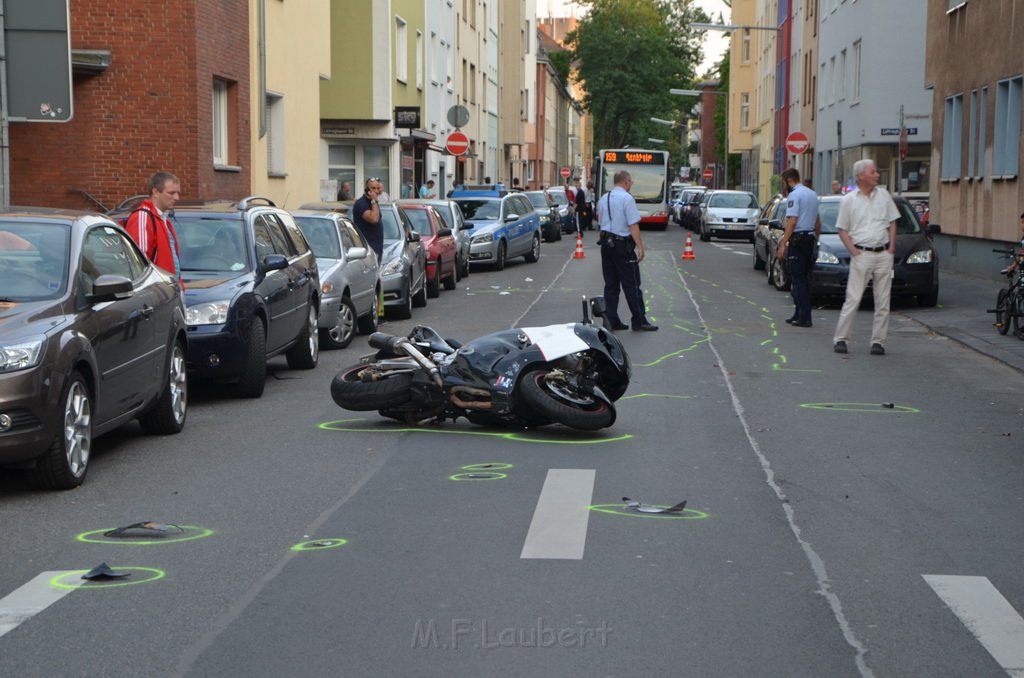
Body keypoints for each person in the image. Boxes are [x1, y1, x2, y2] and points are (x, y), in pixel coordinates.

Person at [832, 159, 900, 356]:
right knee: (853, 298)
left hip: (883, 252)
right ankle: (841, 338)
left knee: (883, 300)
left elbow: (892, 222)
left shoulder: (884, 196)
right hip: (862, 253)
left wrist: (892, 246)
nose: (877, 175)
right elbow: (842, 229)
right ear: (861, 175)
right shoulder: (849, 200)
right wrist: (854, 251)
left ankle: (878, 341)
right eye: (873, 171)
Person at [596, 170, 657, 332]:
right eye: (630, 182)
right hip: (622, 245)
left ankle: (611, 320)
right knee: (632, 284)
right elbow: (633, 225)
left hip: (606, 245)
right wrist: (640, 247)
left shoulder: (604, 198)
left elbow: (600, 219)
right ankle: (639, 320)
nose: (631, 185)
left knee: (611, 285)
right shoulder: (627, 199)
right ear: (625, 182)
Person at [775, 168, 820, 328]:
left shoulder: (794, 195)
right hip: (809, 239)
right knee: (803, 278)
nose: (783, 187)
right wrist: (816, 240)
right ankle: (798, 312)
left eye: (783, 183)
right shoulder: (812, 194)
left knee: (796, 278)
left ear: (788, 180)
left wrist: (783, 244)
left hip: (798, 240)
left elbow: (792, 222)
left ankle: (805, 316)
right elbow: (817, 221)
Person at [124, 171, 183, 281]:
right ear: (155, 192)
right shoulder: (143, 217)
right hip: (157, 292)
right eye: (171, 193)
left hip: (168, 291)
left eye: (177, 193)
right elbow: (139, 265)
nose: (177, 197)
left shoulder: (163, 219)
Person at [352, 177, 384, 261]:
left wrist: (374, 201)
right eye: (373, 188)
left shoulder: (373, 203)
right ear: (367, 189)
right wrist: (374, 201)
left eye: (377, 188)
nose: (376, 191)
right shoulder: (362, 204)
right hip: (367, 251)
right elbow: (374, 219)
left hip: (376, 249)